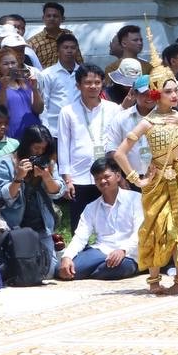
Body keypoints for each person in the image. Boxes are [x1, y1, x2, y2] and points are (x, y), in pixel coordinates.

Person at [112, 24, 178, 295]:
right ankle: (154, 280)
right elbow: (119, 152)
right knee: (156, 226)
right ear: (156, 93)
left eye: (175, 89)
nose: (175, 94)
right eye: (168, 91)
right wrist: (137, 179)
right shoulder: (148, 122)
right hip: (156, 181)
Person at [0, 124, 64, 277]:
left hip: (42, 226)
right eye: (36, 148)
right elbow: (1, 198)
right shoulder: (5, 163)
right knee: (23, 272)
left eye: (44, 148)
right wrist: (18, 178)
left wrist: (46, 177)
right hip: (15, 227)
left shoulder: (48, 162)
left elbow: (58, 192)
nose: (40, 152)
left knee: (48, 273)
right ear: (26, 144)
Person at [57, 157, 144, 281]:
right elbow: (80, 237)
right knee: (61, 269)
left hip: (129, 253)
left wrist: (122, 250)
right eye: (97, 179)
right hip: (101, 251)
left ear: (118, 176)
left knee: (120, 267)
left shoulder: (136, 199)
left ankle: (91, 271)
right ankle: (97, 269)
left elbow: (140, 232)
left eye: (106, 176)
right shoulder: (91, 207)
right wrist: (67, 257)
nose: (102, 181)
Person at [58, 63, 120, 230]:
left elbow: (118, 142)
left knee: (111, 223)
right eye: (88, 82)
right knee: (79, 226)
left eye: (97, 82)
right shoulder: (68, 112)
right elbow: (63, 146)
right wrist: (67, 179)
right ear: (78, 85)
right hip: (79, 177)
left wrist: (119, 174)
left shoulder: (113, 109)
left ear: (102, 84)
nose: (93, 86)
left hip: (107, 175)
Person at [0, 46, 42, 139]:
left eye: (13, 63)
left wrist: (35, 89)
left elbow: (39, 109)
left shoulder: (27, 84)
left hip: (33, 137)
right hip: (9, 138)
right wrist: (3, 88)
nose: (10, 66)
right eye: (5, 64)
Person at [38, 32, 81, 139]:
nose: (69, 51)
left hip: (80, 128)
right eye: (65, 47)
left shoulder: (83, 73)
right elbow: (43, 104)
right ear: (58, 51)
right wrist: (46, 130)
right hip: (55, 130)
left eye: (73, 48)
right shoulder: (47, 74)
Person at [26, 2, 80, 69]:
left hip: (69, 74)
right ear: (43, 18)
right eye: (48, 16)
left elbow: (78, 60)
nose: (52, 19)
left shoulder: (69, 36)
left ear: (63, 19)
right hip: (44, 75)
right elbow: (30, 67)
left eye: (55, 16)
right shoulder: (33, 42)